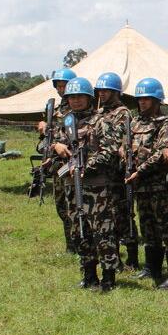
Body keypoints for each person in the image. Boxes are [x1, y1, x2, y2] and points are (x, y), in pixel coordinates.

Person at [52, 77, 123, 292]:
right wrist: (56, 146)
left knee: (103, 232)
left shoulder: (101, 122)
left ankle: (108, 278)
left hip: (97, 187)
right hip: (72, 187)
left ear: (89, 98)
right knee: (79, 231)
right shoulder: (66, 123)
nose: (75, 101)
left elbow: (110, 151)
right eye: (71, 97)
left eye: (79, 97)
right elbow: (44, 147)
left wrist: (87, 165)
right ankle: (89, 274)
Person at [126, 78, 168, 288]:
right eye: (140, 99)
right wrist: (124, 153)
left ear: (157, 100)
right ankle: (152, 268)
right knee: (147, 226)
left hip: (159, 185)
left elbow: (161, 153)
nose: (142, 103)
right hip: (141, 185)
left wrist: (140, 171)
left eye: (147, 99)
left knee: (167, 228)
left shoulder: (165, 123)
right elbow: (126, 143)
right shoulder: (135, 122)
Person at [94, 72, 140, 274]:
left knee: (123, 215)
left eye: (107, 91)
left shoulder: (122, 113)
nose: (102, 94)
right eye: (100, 90)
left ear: (115, 92)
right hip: (101, 173)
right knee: (107, 217)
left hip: (118, 172)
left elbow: (120, 142)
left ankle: (132, 257)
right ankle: (114, 258)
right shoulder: (98, 113)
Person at [38, 68, 76, 253]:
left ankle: (81, 244)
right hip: (57, 165)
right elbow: (48, 139)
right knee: (61, 206)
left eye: (64, 86)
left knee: (75, 207)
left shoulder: (78, 109)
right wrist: (44, 129)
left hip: (72, 163)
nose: (61, 89)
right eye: (58, 86)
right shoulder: (54, 109)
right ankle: (70, 245)